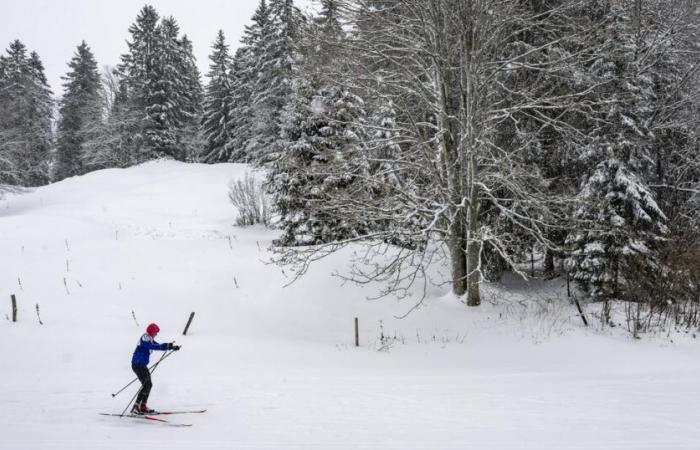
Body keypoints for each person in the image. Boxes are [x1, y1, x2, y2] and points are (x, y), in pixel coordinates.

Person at [130, 323, 180, 415]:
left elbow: (158, 346)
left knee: (148, 385)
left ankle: (143, 406)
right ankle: (136, 407)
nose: (156, 334)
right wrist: (166, 346)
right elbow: (152, 346)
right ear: (151, 331)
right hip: (137, 364)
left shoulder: (150, 339)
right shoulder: (145, 337)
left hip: (142, 365)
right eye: (156, 332)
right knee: (146, 384)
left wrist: (171, 346)